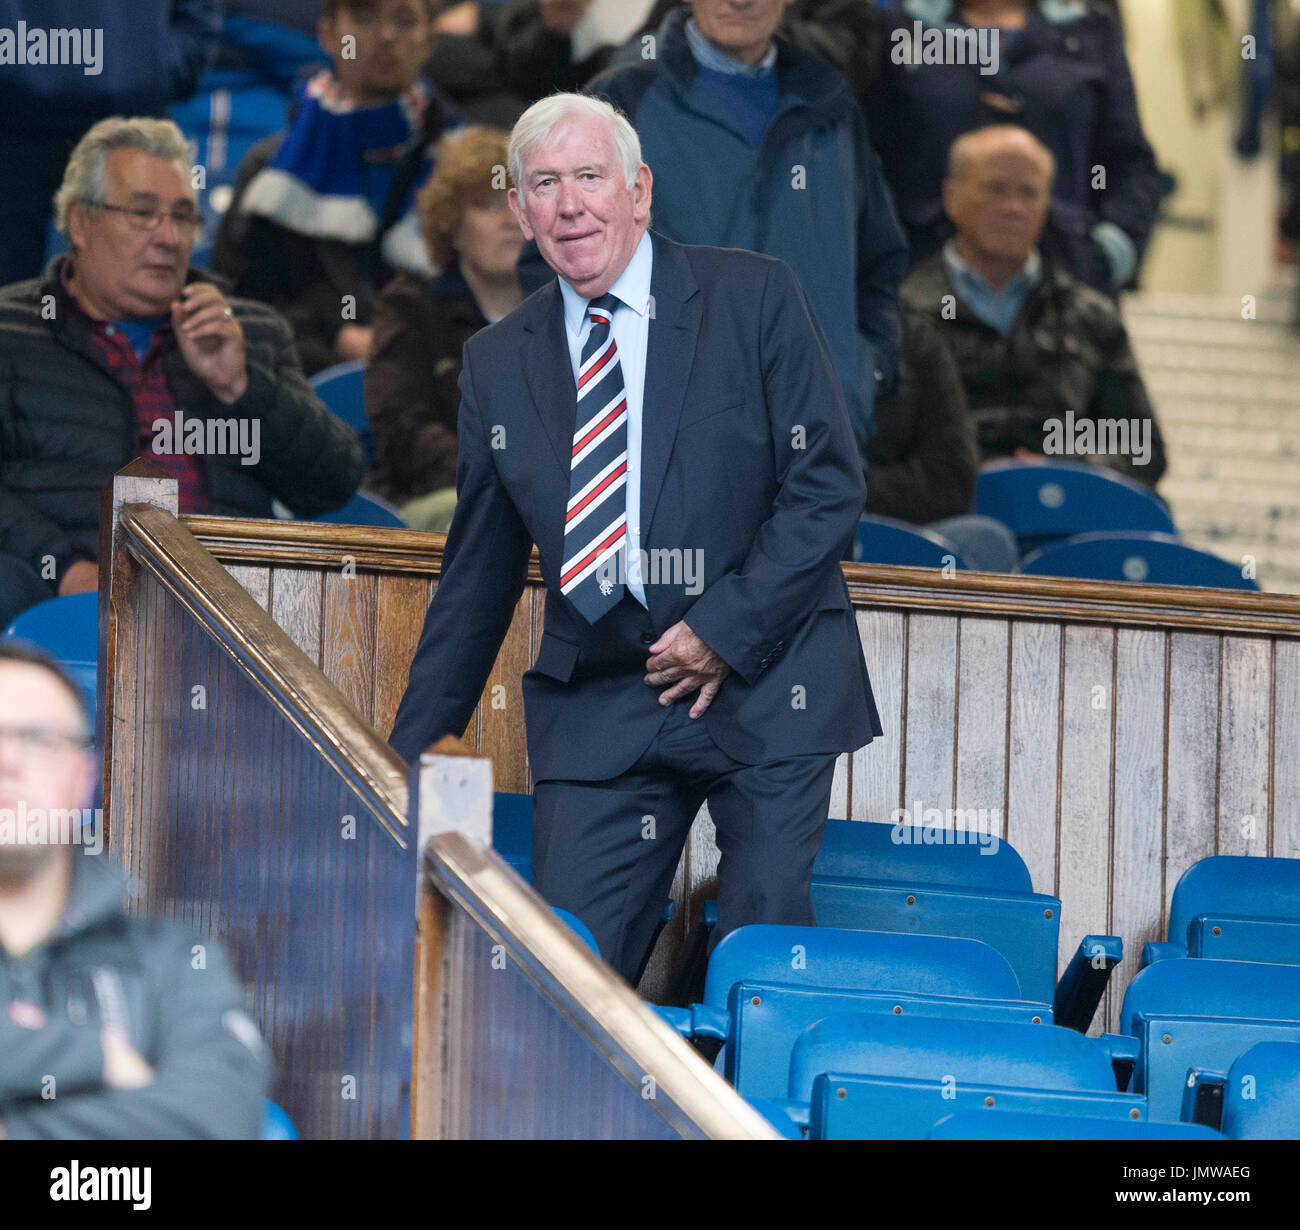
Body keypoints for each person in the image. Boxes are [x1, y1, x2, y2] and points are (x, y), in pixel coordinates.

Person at [388, 93, 882, 983]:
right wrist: (405, 760)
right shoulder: (497, 364)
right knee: (561, 975)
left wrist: (721, 634)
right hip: (604, 697)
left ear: (640, 190)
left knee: (760, 947)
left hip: (768, 683)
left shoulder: (754, 295)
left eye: (589, 177)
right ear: (520, 210)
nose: (570, 204)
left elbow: (827, 487)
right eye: (545, 184)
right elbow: (477, 577)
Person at [0, 117, 365, 629]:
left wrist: (240, 386)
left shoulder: (249, 331)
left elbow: (333, 483)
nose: (169, 238)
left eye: (183, 217)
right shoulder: (12, 333)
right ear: (80, 222)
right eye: (144, 213)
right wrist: (62, 569)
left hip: (228, 611)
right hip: (54, 602)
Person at [576, 0, 907, 450]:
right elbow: (559, 262)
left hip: (824, 441)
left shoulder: (832, 102)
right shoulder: (621, 99)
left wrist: (865, 372)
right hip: (672, 455)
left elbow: (879, 261)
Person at [0, 643, 268, 1139]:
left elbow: (215, 1123)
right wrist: (95, 1055)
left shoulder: (177, 960)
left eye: (37, 739)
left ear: (83, 780)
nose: (8, 760)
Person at [900, 125, 1166, 486]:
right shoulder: (902, 313)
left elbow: (1143, 448)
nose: (1013, 208)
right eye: (995, 189)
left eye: (1029, 193)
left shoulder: (1091, 318)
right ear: (952, 197)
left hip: (1066, 514)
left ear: (1046, 206)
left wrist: (1063, 466)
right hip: (944, 520)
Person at [212, 0, 454, 374]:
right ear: (327, 35)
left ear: (430, 41)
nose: (386, 36)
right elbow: (236, 305)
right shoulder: (270, 171)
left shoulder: (460, 167)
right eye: (365, 16)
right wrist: (333, 340)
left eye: (405, 20)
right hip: (304, 388)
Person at [870, 0, 1163, 296]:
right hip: (920, 286)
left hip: (1066, 284)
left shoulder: (1091, 30)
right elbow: (867, 163)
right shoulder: (898, 28)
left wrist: (1108, 254)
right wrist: (884, 264)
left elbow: (1128, 162)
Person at [366, 126, 524, 529]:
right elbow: (405, 431)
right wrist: (498, 476)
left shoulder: (567, 311)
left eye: (518, 202)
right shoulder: (411, 307)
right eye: (488, 206)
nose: (509, 220)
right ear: (452, 226)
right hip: (433, 502)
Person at [0, 0, 222, 285]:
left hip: (133, 120)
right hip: (12, 126)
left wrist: (153, 68)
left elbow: (198, 19)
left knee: (142, 298)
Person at [866, 310, 1021, 572]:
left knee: (985, 541)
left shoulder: (914, 336)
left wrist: (850, 489)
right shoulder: (784, 321)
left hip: (884, 515)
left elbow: (951, 481)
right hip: (799, 522)